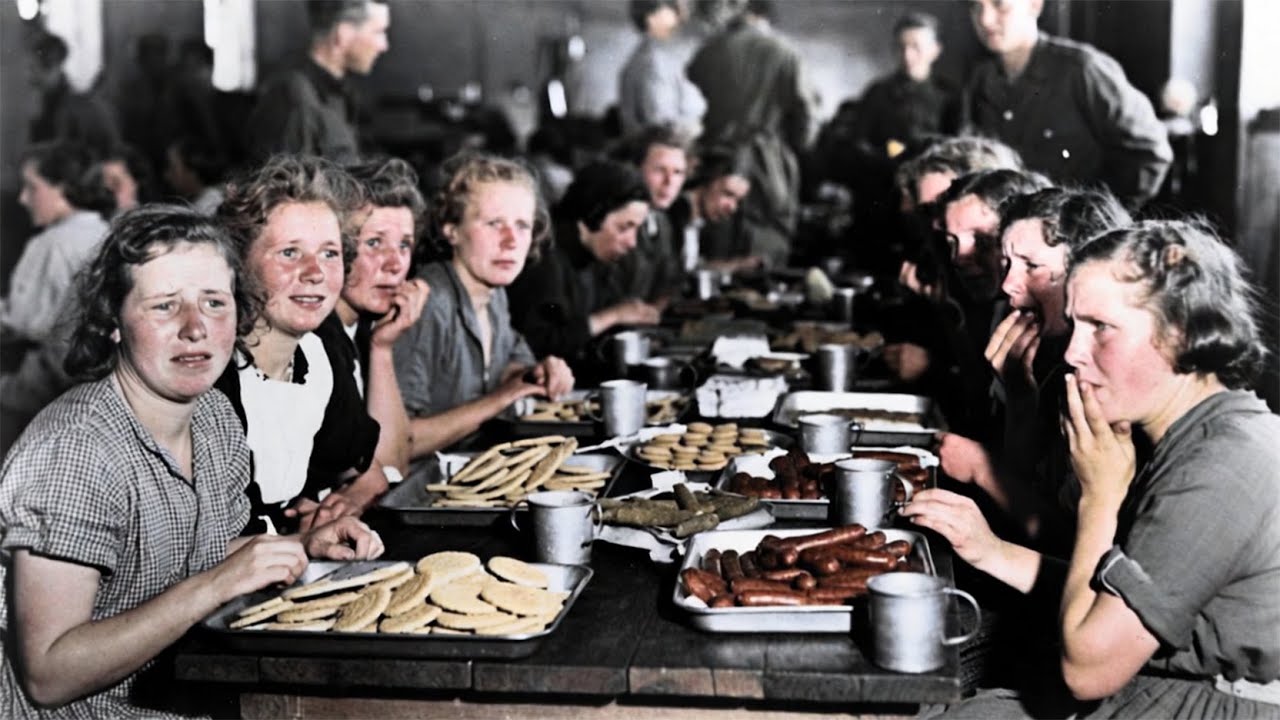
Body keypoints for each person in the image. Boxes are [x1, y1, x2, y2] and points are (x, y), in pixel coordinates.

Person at [0, 205, 384, 718]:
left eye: (214, 303)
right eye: (164, 306)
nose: (195, 328)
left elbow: (183, 554)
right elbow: (49, 674)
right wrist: (219, 584)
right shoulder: (75, 452)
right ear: (113, 320)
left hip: (179, 698)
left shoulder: (213, 417)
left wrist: (294, 545)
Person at [908, 219, 1280, 717]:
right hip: (1158, 683)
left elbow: (1086, 672)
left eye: (1100, 328)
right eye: (1076, 325)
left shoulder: (1224, 464)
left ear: (1180, 332)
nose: (1074, 353)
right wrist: (991, 550)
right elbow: (1113, 594)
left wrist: (1100, 495)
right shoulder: (1189, 431)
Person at [938, 188, 1131, 554]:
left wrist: (983, 470)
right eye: (1009, 264)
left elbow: (1071, 547)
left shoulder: (1110, 383)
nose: (1008, 284)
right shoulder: (1054, 361)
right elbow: (1031, 491)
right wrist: (1020, 398)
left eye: (1032, 266)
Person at [215, 154, 388, 533]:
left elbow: (367, 470)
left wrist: (343, 506)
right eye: (290, 253)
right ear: (240, 263)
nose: (314, 273)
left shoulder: (321, 346)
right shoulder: (211, 373)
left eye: (330, 253)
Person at [394, 152, 574, 459]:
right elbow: (400, 442)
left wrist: (538, 372)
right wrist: (501, 398)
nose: (511, 241)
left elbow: (509, 363)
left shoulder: (493, 293)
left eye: (522, 226)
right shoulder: (429, 303)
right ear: (451, 229)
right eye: (493, 223)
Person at [964, 0, 1172, 210]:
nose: (985, 20)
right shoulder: (981, 79)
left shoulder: (1082, 69)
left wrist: (1102, 217)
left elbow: (1151, 152)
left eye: (1000, 5)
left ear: (1035, 6)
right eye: (976, 7)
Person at [320, 157, 430, 478]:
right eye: (374, 243)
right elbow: (382, 467)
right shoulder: (319, 336)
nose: (395, 264)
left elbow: (397, 458)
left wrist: (382, 348)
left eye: (405, 245)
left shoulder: (363, 327)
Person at [687, 0, 815, 267]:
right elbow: (806, 126)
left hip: (715, 167)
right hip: (768, 173)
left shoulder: (705, 53)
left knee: (716, 257)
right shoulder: (785, 53)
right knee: (764, 260)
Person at [507, 160, 657, 375]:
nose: (632, 242)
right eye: (625, 227)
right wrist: (612, 316)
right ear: (592, 216)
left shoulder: (597, 256)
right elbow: (538, 342)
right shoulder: (544, 259)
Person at [246, 0, 391, 162]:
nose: (383, 45)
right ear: (343, 35)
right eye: (378, 32)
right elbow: (287, 183)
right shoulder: (294, 99)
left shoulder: (341, 93)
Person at [1, 142, 113, 345]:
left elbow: (19, 321)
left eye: (32, 187)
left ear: (63, 190)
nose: (23, 199)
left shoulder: (50, 244)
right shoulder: (106, 232)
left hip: (45, 363)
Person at [853, 11, 961, 156]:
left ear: (935, 50)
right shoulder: (878, 92)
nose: (907, 55)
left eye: (916, 47)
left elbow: (957, 146)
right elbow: (860, 144)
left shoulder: (950, 95)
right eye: (901, 47)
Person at [614, 124, 690, 304]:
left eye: (678, 172)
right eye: (659, 170)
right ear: (636, 170)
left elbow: (668, 282)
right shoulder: (616, 223)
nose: (669, 181)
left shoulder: (662, 222)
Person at [26, 32, 120, 156]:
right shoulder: (42, 100)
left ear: (53, 66)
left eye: (33, 68)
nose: (29, 76)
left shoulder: (78, 105)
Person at [618, 0, 700, 136]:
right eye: (671, 12)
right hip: (659, 148)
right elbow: (660, 124)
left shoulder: (642, 59)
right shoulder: (653, 63)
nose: (678, 20)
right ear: (652, 18)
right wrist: (695, 129)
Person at [164, 135, 228, 215]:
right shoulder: (198, 205)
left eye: (173, 168)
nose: (168, 176)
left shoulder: (211, 206)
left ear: (192, 168)